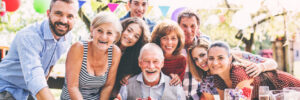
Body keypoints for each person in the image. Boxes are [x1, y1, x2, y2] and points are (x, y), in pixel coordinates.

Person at [0, 0, 78, 100]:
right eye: (59, 14)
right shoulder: (29, 37)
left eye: (70, 16)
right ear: (48, 14)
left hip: (29, 92)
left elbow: (50, 64)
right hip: (6, 88)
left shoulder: (67, 37)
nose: (63, 21)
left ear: (75, 19)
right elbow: (35, 77)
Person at [188, 38, 279, 100]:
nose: (200, 61)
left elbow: (273, 63)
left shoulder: (235, 57)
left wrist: (260, 67)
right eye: (195, 59)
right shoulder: (206, 81)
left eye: (202, 55)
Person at [60, 12, 122, 100]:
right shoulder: (78, 48)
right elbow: (72, 87)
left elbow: (108, 86)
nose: (103, 37)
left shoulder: (115, 52)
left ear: (116, 37)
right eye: (99, 30)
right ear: (92, 30)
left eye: (109, 33)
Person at [208, 41, 300, 100]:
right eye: (211, 58)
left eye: (220, 58)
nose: (215, 63)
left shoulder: (238, 75)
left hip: (289, 88)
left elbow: (244, 99)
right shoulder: (217, 77)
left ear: (229, 58)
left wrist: (261, 67)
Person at [118, 43, 186, 100]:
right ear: (140, 63)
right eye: (146, 61)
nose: (151, 66)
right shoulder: (127, 86)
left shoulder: (176, 87)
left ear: (162, 63)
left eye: (155, 61)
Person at [111, 17, 150, 98]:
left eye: (136, 36)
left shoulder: (134, 57)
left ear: (138, 41)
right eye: (129, 30)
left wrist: (130, 75)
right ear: (122, 28)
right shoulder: (108, 44)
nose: (130, 37)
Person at [177, 9, 204, 100]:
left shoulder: (204, 46)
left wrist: (250, 63)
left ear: (198, 28)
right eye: (184, 26)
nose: (188, 30)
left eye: (193, 26)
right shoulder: (172, 47)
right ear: (178, 27)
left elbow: (226, 53)